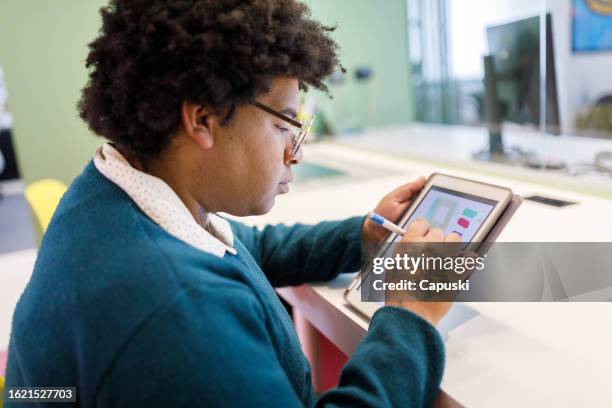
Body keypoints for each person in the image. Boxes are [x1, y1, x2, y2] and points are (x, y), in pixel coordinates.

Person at [5, 1, 459, 406]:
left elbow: (250, 250)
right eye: (286, 123)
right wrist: (408, 315)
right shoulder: (177, 315)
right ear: (203, 119)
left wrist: (363, 235)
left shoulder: (117, 194)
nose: (296, 151)